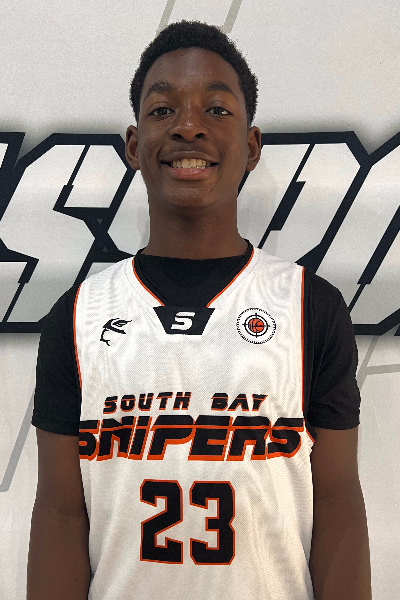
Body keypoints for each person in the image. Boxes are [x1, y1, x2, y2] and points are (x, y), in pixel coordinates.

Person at [27, 20, 371, 600]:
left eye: (216, 109)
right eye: (162, 110)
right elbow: (60, 512)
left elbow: (337, 502)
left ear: (251, 146)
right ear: (134, 145)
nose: (188, 126)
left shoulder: (311, 305)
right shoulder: (79, 314)